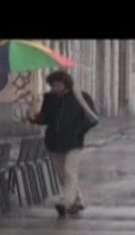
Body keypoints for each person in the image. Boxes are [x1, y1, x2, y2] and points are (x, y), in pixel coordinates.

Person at [29, 70, 98, 217]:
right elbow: (45, 118)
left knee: (69, 171)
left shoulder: (81, 97)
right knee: (62, 175)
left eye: (58, 85)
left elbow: (92, 118)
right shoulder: (50, 98)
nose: (55, 88)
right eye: (53, 85)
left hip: (74, 142)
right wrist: (34, 117)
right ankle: (78, 201)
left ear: (66, 84)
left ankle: (65, 203)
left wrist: (80, 130)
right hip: (54, 141)